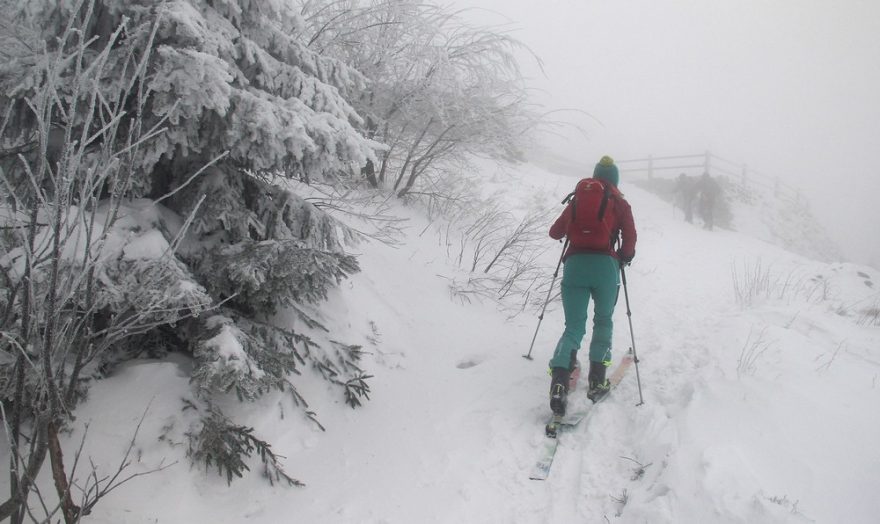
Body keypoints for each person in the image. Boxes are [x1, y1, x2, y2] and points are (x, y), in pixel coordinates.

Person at [547, 156, 637, 415]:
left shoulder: (578, 198)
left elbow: (555, 232)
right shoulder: (620, 202)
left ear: (595, 176)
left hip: (575, 266)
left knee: (573, 326)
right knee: (604, 320)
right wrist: (624, 256)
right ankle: (597, 379)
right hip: (605, 269)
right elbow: (630, 238)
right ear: (615, 179)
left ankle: (559, 384)